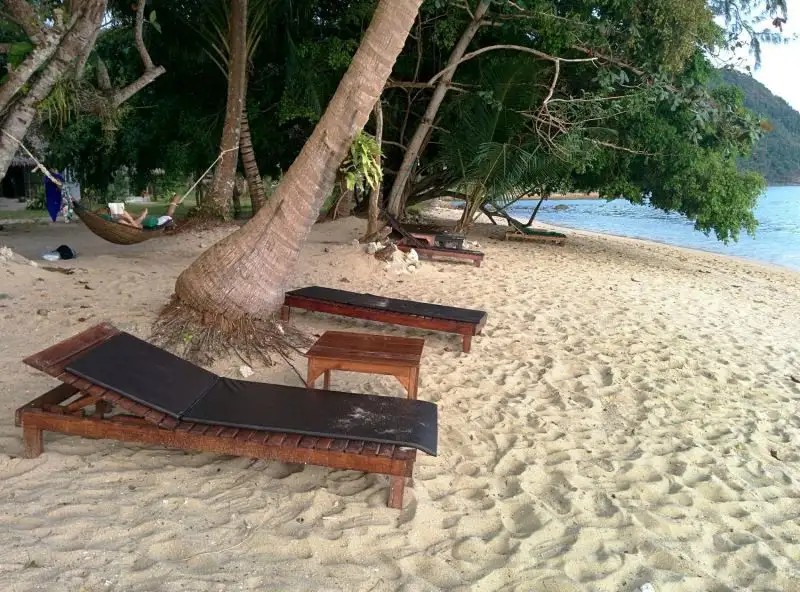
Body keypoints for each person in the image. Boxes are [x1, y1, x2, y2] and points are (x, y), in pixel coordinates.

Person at [100, 192, 180, 229]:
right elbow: (135, 228)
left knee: (167, 215)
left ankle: (174, 200)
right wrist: (129, 218)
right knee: (168, 216)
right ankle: (175, 201)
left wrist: (139, 216)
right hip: (152, 223)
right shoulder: (120, 221)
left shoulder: (117, 221)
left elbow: (133, 225)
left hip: (143, 224)